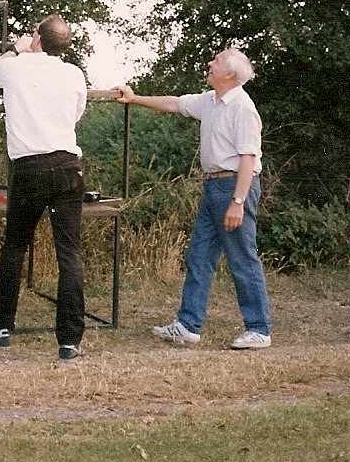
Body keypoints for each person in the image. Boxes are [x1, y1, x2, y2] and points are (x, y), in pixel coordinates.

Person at [115, 48, 272, 349]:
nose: (210, 64)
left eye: (216, 61)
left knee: (242, 259)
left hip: (234, 187)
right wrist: (134, 98)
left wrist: (238, 203)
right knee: (199, 257)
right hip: (214, 187)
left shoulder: (242, 107)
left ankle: (259, 329)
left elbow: (249, 158)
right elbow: (175, 103)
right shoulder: (210, 101)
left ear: (229, 74)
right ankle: (188, 325)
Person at [0, 14, 88, 360]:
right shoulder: (73, 74)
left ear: (37, 37)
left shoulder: (16, 66)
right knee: (69, 253)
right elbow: (77, 113)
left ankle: (1, 326)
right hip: (68, 165)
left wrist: (13, 49)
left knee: (15, 247)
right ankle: (69, 341)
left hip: (30, 167)